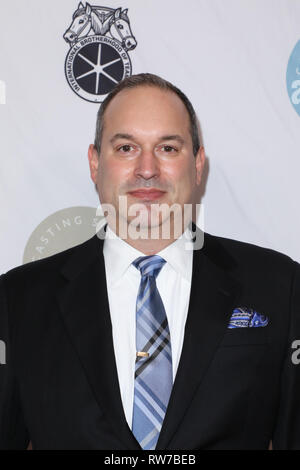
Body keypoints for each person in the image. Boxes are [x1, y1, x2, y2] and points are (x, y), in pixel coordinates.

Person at [0, 73, 299, 450]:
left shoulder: (278, 286)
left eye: (168, 148)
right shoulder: (20, 298)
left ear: (198, 163)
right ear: (95, 163)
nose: (147, 169)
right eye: (126, 148)